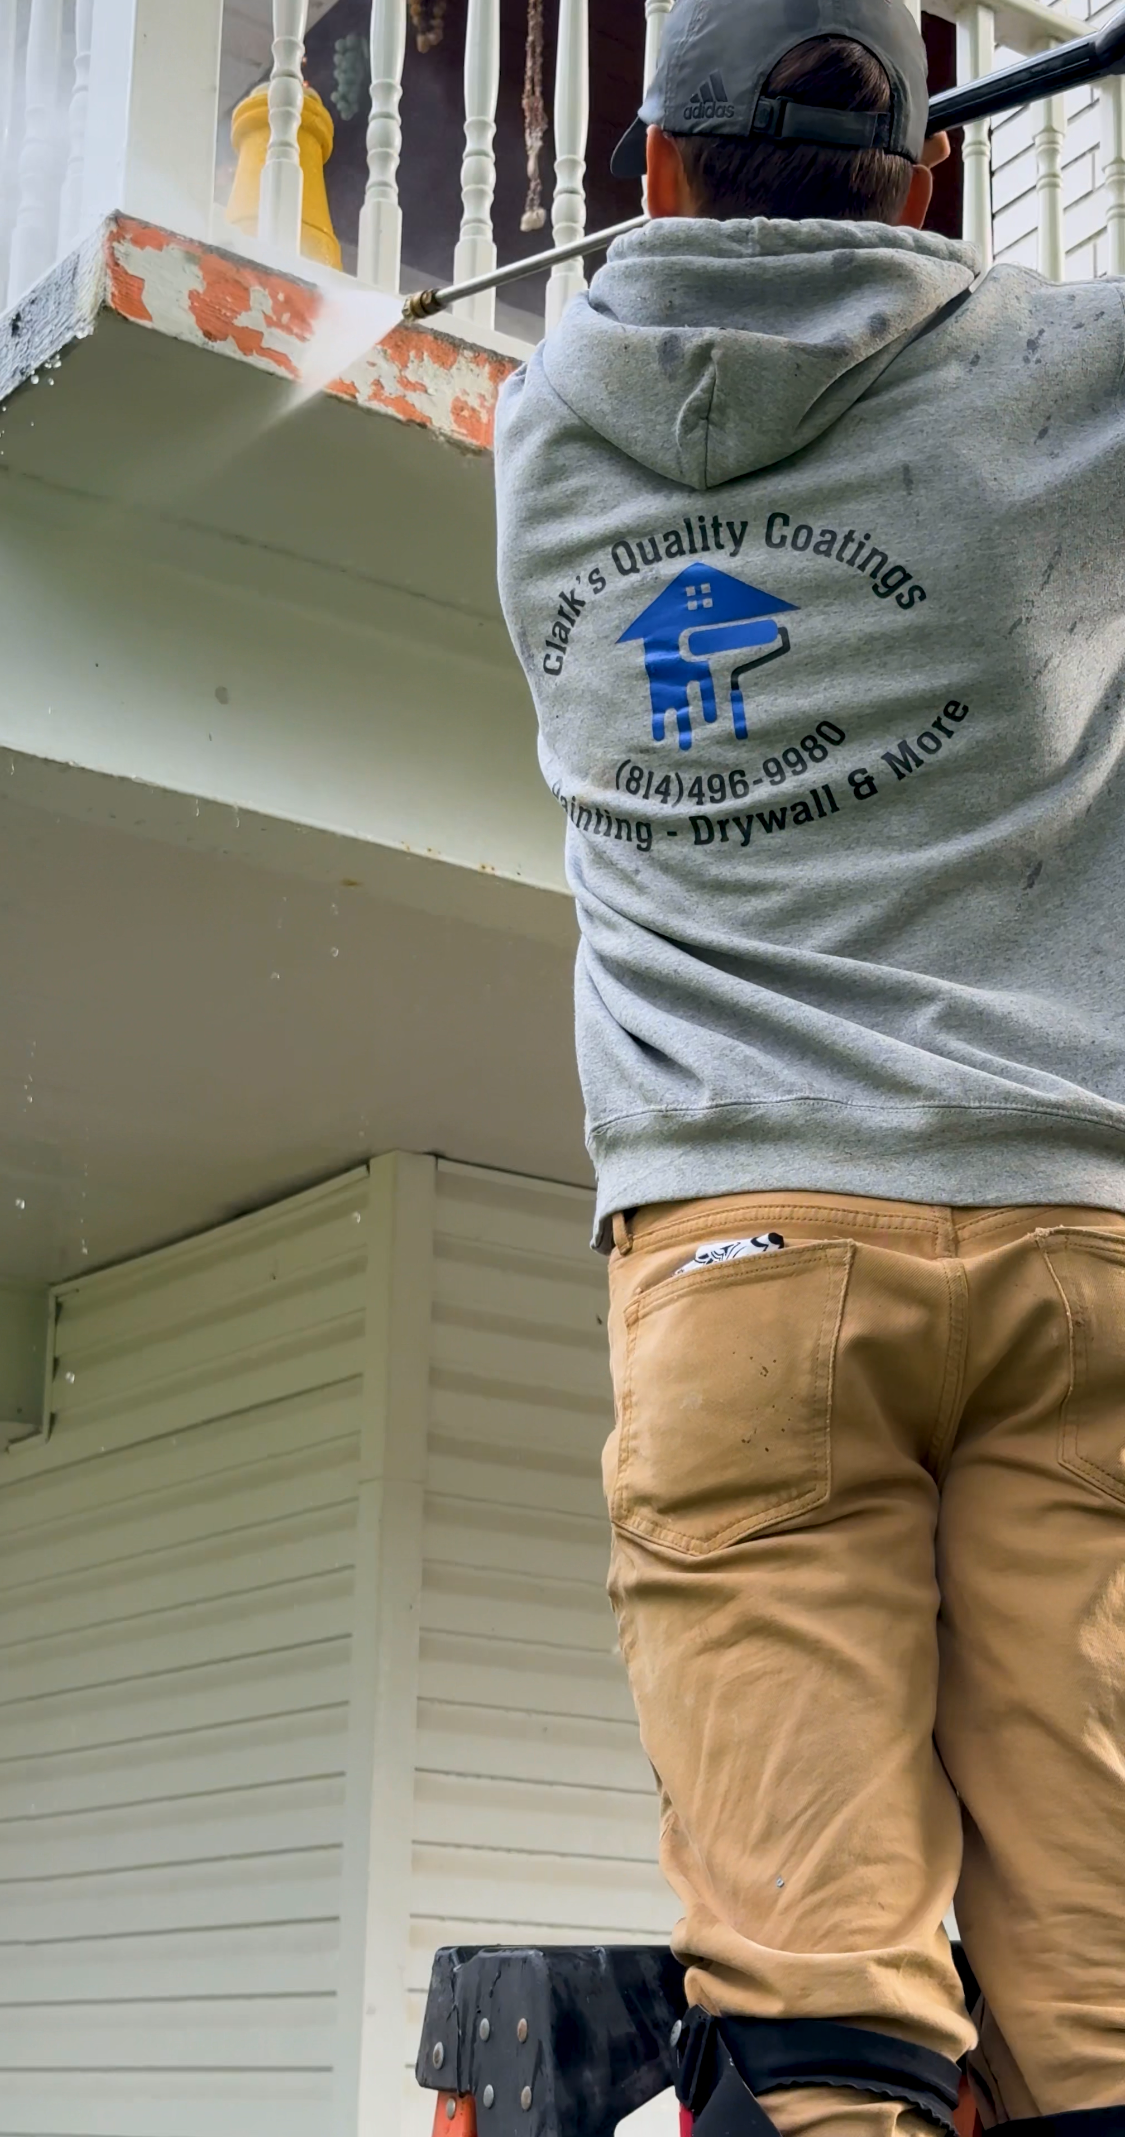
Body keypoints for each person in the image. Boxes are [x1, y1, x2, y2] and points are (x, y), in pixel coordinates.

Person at [493, 3, 1125, 2135]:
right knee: (1104, 2004)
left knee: (824, 2012)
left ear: (652, 173)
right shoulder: (1060, 386)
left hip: (737, 1253)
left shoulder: (544, 436)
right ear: (931, 184)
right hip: (1074, 1246)